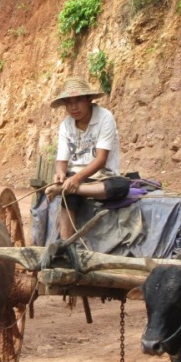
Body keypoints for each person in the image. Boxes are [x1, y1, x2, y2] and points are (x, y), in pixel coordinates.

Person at [45, 77, 129, 240]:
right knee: (69, 194)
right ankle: (64, 246)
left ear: (89, 99)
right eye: (68, 102)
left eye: (78, 101)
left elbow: (101, 159)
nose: (73, 107)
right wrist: (61, 174)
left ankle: (65, 189)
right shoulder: (65, 125)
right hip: (74, 178)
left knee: (122, 186)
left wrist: (75, 181)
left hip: (102, 177)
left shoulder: (105, 117)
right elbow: (61, 161)